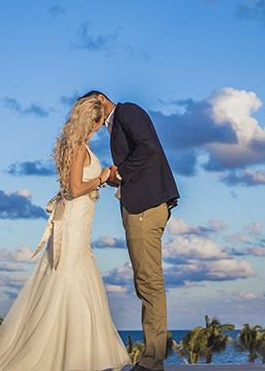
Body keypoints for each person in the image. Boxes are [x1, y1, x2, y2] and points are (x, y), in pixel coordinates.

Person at [0, 94, 130, 371]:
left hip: (79, 219)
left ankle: (73, 353)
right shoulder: (79, 148)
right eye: (99, 122)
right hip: (73, 220)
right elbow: (75, 188)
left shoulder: (77, 146)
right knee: (69, 276)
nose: (101, 127)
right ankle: (67, 356)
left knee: (72, 274)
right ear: (92, 121)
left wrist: (102, 180)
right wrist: (102, 176)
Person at [81, 91, 179, 371]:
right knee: (144, 281)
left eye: (89, 109)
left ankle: (152, 361)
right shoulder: (115, 124)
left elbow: (148, 146)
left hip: (145, 207)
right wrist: (119, 180)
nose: (89, 118)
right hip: (140, 205)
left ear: (101, 99)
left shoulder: (126, 111)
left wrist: (120, 173)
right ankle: (153, 358)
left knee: (149, 282)